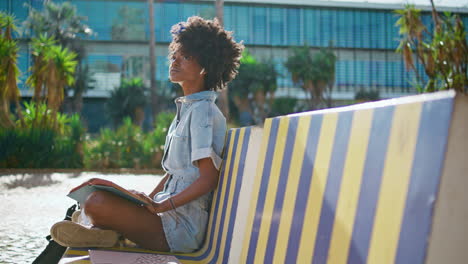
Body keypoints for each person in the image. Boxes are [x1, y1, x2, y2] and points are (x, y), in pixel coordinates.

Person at [50, 16, 244, 253]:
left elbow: (208, 179)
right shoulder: (186, 111)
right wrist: (147, 200)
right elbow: (173, 175)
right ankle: (104, 233)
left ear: (205, 67)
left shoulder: (203, 112)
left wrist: (163, 205)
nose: (175, 60)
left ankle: (101, 232)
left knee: (96, 202)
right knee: (95, 199)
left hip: (181, 229)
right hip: (165, 216)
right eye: (175, 54)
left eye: (186, 57)